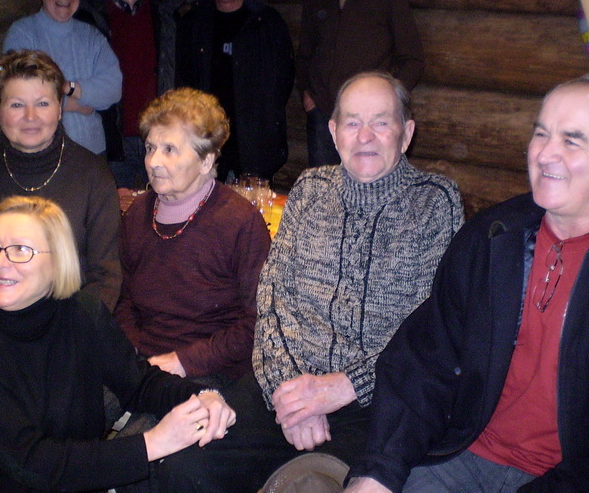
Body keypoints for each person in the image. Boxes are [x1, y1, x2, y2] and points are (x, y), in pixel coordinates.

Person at [345, 73, 589, 493]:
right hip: (462, 454)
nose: (545, 154)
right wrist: (379, 470)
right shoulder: (492, 236)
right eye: (541, 134)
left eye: (572, 140)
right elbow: (425, 362)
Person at [157, 72, 464, 492]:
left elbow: (429, 331)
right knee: (184, 466)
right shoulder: (309, 189)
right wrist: (292, 391)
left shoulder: (435, 202)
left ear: (406, 133)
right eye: (352, 122)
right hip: (284, 388)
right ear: (334, 133)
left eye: (381, 121)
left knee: (313, 487)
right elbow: (272, 299)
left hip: (375, 403)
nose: (366, 136)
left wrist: (343, 387)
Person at [0, 195, 236, 493]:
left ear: (57, 259)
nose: (0, 262)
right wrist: (154, 442)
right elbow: (31, 463)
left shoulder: (82, 313)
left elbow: (138, 383)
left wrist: (202, 397)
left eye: (20, 250)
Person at [0, 50, 121, 320]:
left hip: (70, 332)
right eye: (16, 105)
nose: (31, 116)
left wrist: (70, 339)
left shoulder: (93, 174)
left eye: (43, 104)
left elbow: (105, 277)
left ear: (60, 108)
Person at [115, 87, 271, 387]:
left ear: (206, 161)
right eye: (149, 148)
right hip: (143, 359)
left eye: (170, 150)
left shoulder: (239, 222)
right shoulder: (137, 214)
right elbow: (123, 297)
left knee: (146, 433)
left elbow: (259, 321)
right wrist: (133, 349)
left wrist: (184, 362)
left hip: (209, 368)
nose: (153, 161)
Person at [297, 0, 424, 167]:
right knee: (325, 193)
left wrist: (388, 103)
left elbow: (412, 58)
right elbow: (305, 52)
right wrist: (308, 96)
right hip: (324, 115)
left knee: (372, 188)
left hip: (371, 121)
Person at [177, 0, 294, 182]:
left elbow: (283, 80)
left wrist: (263, 117)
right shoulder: (194, 23)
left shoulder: (267, 23)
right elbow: (184, 80)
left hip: (254, 139)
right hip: (208, 136)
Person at [77, 0, 184, 186]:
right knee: (115, 219)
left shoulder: (170, 12)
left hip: (163, 137)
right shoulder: (89, 17)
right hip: (113, 143)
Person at [4, 0, 122, 156]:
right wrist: (78, 103)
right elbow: (21, 94)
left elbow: (113, 90)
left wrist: (68, 87)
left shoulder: (92, 36)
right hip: (40, 151)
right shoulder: (22, 32)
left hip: (92, 152)